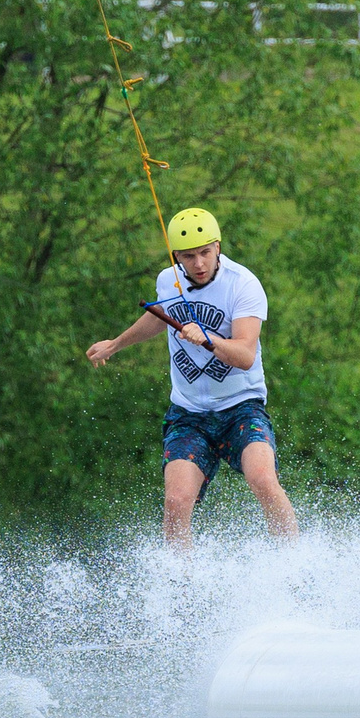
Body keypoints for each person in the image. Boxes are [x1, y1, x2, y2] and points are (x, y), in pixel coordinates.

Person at [85, 207, 300, 547]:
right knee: (176, 501)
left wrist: (209, 339)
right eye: (188, 256)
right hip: (188, 415)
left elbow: (245, 355)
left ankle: (293, 562)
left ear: (217, 247)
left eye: (204, 253)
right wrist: (116, 344)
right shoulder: (167, 280)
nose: (198, 264)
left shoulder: (243, 285)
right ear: (177, 257)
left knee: (262, 479)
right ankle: (181, 588)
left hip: (240, 407)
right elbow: (158, 317)